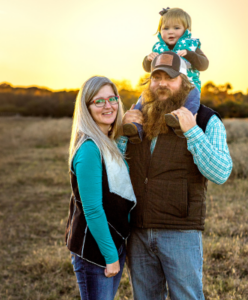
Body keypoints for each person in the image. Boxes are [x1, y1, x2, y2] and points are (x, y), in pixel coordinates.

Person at [121, 52, 233, 300]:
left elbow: (221, 173)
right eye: (156, 77)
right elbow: (116, 168)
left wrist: (192, 131)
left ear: (185, 81)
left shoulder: (205, 120)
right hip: (137, 231)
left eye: (170, 78)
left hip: (180, 232)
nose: (162, 83)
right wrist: (120, 134)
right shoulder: (137, 119)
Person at [65, 76, 136, 300]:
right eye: (99, 101)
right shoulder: (89, 149)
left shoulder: (108, 142)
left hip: (112, 245)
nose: (108, 106)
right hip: (95, 253)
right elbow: (93, 209)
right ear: (86, 108)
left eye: (112, 99)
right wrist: (110, 256)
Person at [124, 7, 209, 142]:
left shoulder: (191, 46)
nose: (170, 32)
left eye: (176, 28)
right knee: (143, 98)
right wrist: (148, 59)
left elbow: (204, 65)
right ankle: (134, 127)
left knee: (193, 99)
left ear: (186, 30)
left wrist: (190, 54)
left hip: (189, 85)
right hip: (163, 87)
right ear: (160, 31)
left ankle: (180, 122)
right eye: (165, 28)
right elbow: (148, 69)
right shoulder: (158, 48)